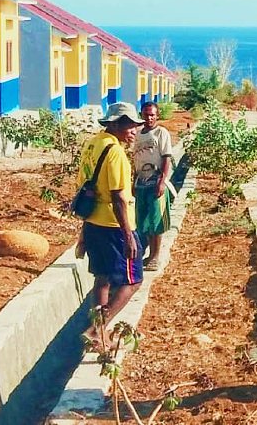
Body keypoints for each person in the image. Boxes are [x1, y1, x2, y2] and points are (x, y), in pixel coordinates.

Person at [79, 102, 144, 348]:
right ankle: (96, 330)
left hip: (94, 222)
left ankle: (100, 336)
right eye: (129, 126)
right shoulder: (115, 153)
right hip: (114, 226)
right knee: (133, 281)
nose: (134, 131)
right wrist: (128, 236)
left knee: (103, 278)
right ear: (115, 124)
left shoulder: (93, 144)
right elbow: (118, 197)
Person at [133, 102, 174, 272]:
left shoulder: (161, 133)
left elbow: (166, 159)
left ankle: (155, 256)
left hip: (155, 179)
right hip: (141, 181)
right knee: (143, 220)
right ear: (141, 114)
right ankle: (148, 253)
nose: (149, 118)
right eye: (146, 114)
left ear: (157, 115)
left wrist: (162, 181)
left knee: (156, 220)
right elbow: (134, 159)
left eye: (152, 115)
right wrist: (133, 181)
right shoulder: (137, 134)